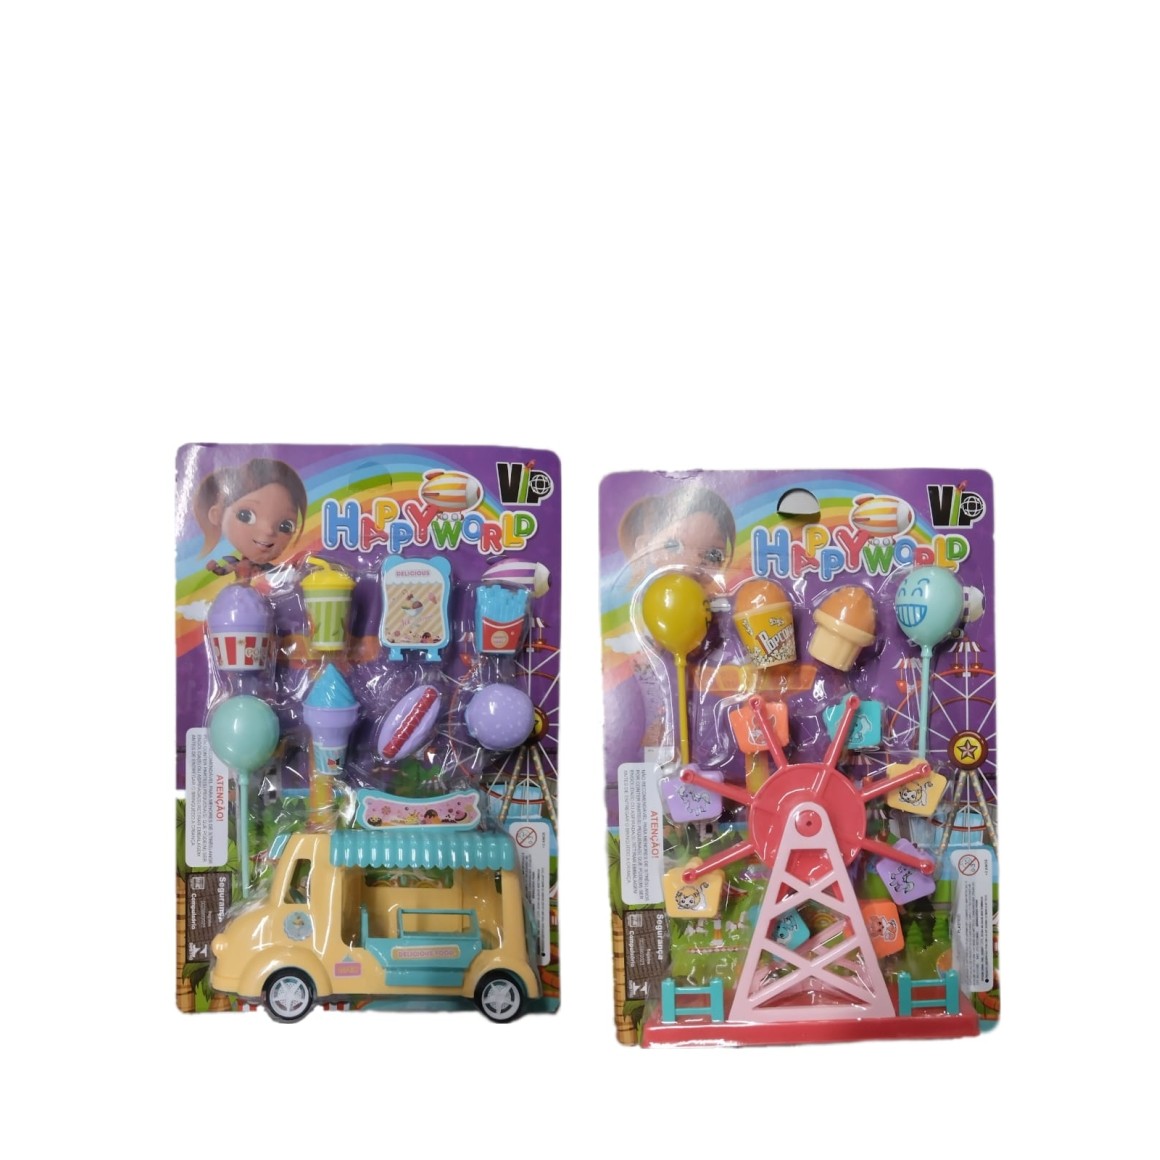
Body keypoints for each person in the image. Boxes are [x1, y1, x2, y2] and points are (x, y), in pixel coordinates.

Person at [194, 458, 308, 581]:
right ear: (217, 515)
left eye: (285, 526)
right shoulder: (236, 563)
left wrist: (294, 570)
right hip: (238, 590)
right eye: (245, 516)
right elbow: (223, 571)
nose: (269, 530)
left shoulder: (264, 566)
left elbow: (278, 572)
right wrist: (215, 568)